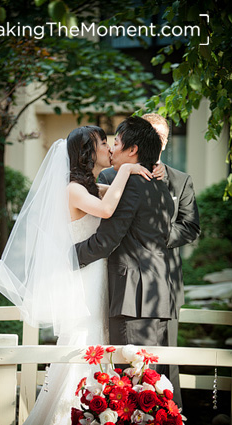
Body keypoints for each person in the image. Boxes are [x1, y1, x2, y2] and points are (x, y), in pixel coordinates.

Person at [0, 125, 155, 424]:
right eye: (104, 143)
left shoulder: (87, 187)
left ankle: (96, 410)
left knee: (98, 341)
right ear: (89, 152)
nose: (110, 149)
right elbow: (105, 209)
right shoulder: (72, 189)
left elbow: (114, 196)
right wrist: (127, 170)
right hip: (84, 280)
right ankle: (70, 412)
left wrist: (148, 172)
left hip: (97, 276)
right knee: (83, 340)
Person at [98, 113, 200, 407]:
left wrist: (155, 232)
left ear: (164, 143)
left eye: (162, 137)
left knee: (165, 361)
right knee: (127, 359)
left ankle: (168, 411)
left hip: (166, 282)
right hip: (126, 281)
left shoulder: (180, 181)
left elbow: (191, 226)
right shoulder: (110, 175)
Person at [75, 116, 174, 354]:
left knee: (130, 381)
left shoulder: (131, 184)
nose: (112, 150)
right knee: (146, 383)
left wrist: (68, 255)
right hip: (155, 297)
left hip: (134, 301)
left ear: (133, 150)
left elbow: (106, 240)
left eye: (117, 143)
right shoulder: (158, 184)